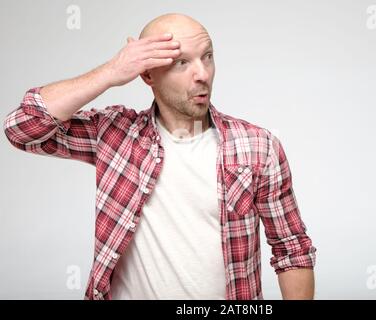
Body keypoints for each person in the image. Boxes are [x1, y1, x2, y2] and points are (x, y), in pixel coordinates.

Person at [3, 13, 317, 300]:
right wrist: (112, 71)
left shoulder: (257, 147)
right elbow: (22, 128)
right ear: (147, 76)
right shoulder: (115, 135)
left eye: (207, 57)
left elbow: (292, 250)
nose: (202, 74)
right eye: (181, 63)